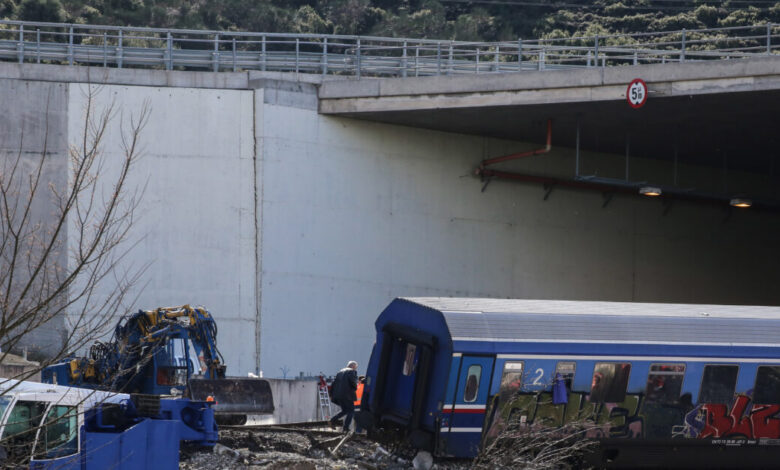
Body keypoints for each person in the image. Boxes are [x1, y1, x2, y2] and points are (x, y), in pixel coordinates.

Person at [329, 360, 358, 432]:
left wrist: (331, 394)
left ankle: (332, 420)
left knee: (345, 410)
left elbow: (333, 384)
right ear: (353, 366)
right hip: (347, 395)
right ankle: (346, 427)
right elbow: (353, 382)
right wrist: (355, 388)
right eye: (355, 367)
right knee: (351, 411)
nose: (355, 369)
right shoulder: (352, 371)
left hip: (338, 396)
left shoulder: (339, 372)